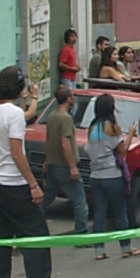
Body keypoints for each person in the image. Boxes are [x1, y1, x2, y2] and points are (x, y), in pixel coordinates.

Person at [0, 65, 66, 278]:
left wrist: (30, 100)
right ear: (19, 88)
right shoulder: (14, 114)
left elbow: (23, 116)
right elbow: (17, 153)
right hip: (15, 184)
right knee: (37, 236)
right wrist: (33, 184)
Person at [85, 94, 140, 260]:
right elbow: (123, 151)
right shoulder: (113, 126)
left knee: (99, 213)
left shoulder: (92, 127)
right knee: (119, 212)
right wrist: (130, 133)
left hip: (95, 175)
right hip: (112, 175)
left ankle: (99, 251)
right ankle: (126, 248)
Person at [41, 85, 89, 242]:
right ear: (68, 98)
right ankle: (81, 236)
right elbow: (64, 143)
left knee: (47, 197)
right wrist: (72, 166)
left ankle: (30, 221)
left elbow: (49, 140)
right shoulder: (66, 118)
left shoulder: (52, 116)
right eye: (72, 95)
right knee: (79, 201)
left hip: (53, 164)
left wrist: (47, 160)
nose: (74, 98)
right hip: (64, 166)